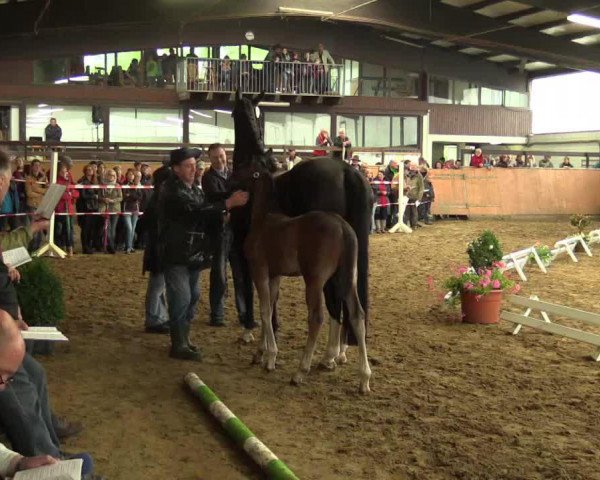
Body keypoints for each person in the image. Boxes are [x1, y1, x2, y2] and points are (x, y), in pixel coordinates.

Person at [158, 147, 248, 360]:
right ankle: (178, 344)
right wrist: (228, 204)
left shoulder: (195, 189)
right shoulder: (171, 190)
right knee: (182, 297)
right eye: (188, 166)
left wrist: (221, 214)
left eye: (194, 165)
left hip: (193, 253)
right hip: (176, 253)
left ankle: (184, 339)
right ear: (176, 169)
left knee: (193, 296)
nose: (194, 169)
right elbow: (195, 211)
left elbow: (205, 211)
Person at [142, 166, 171, 334]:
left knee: (159, 285)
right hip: (158, 249)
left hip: (156, 248)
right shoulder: (159, 201)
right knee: (157, 286)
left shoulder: (157, 199)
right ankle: (153, 319)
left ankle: (159, 316)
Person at [54, 163, 79, 257]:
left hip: (69, 209)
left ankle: (70, 247)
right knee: (58, 230)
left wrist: (70, 194)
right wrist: (68, 194)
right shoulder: (57, 181)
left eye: (66, 171)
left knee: (69, 230)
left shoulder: (69, 180)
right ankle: (59, 248)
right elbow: (59, 194)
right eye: (62, 171)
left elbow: (77, 193)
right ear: (59, 172)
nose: (65, 173)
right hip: (59, 209)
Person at [98, 169, 123, 254]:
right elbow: (99, 197)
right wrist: (104, 199)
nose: (111, 177)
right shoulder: (102, 185)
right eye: (109, 175)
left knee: (113, 230)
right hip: (105, 209)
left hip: (115, 209)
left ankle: (111, 247)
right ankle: (109, 247)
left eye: (113, 175)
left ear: (115, 176)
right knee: (107, 230)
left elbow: (121, 198)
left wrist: (113, 200)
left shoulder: (117, 185)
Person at [76, 164, 99, 254]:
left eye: (91, 169)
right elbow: (83, 195)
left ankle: (89, 246)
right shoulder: (81, 181)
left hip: (94, 207)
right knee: (85, 229)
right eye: (88, 169)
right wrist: (94, 196)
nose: (90, 171)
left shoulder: (95, 181)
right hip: (85, 208)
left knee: (91, 229)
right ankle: (85, 247)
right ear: (85, 171)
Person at [122, 168, 142, 254]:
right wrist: (132, 196)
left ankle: (130, 246)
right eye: (129, 174)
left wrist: (131, 195)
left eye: (132, 174)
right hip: (126, 208)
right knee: (129, 228)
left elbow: (140, 196)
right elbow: (125, 197)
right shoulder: (124, 185)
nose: (131, 176)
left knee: (133, 230)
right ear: (126, 176)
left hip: (135, 208)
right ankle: (128, 247)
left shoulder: (136, 185)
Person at [404, 164, 424, 229]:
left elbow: (421, 187)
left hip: (415, 196)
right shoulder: (407, 175)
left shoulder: (419, 176)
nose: (412, 170)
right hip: (407, 196)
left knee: (414, 211)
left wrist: (419, 197)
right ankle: (406, 224)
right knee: (406, 211)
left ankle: (414, 225)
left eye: (413, 169)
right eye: (411, 169)